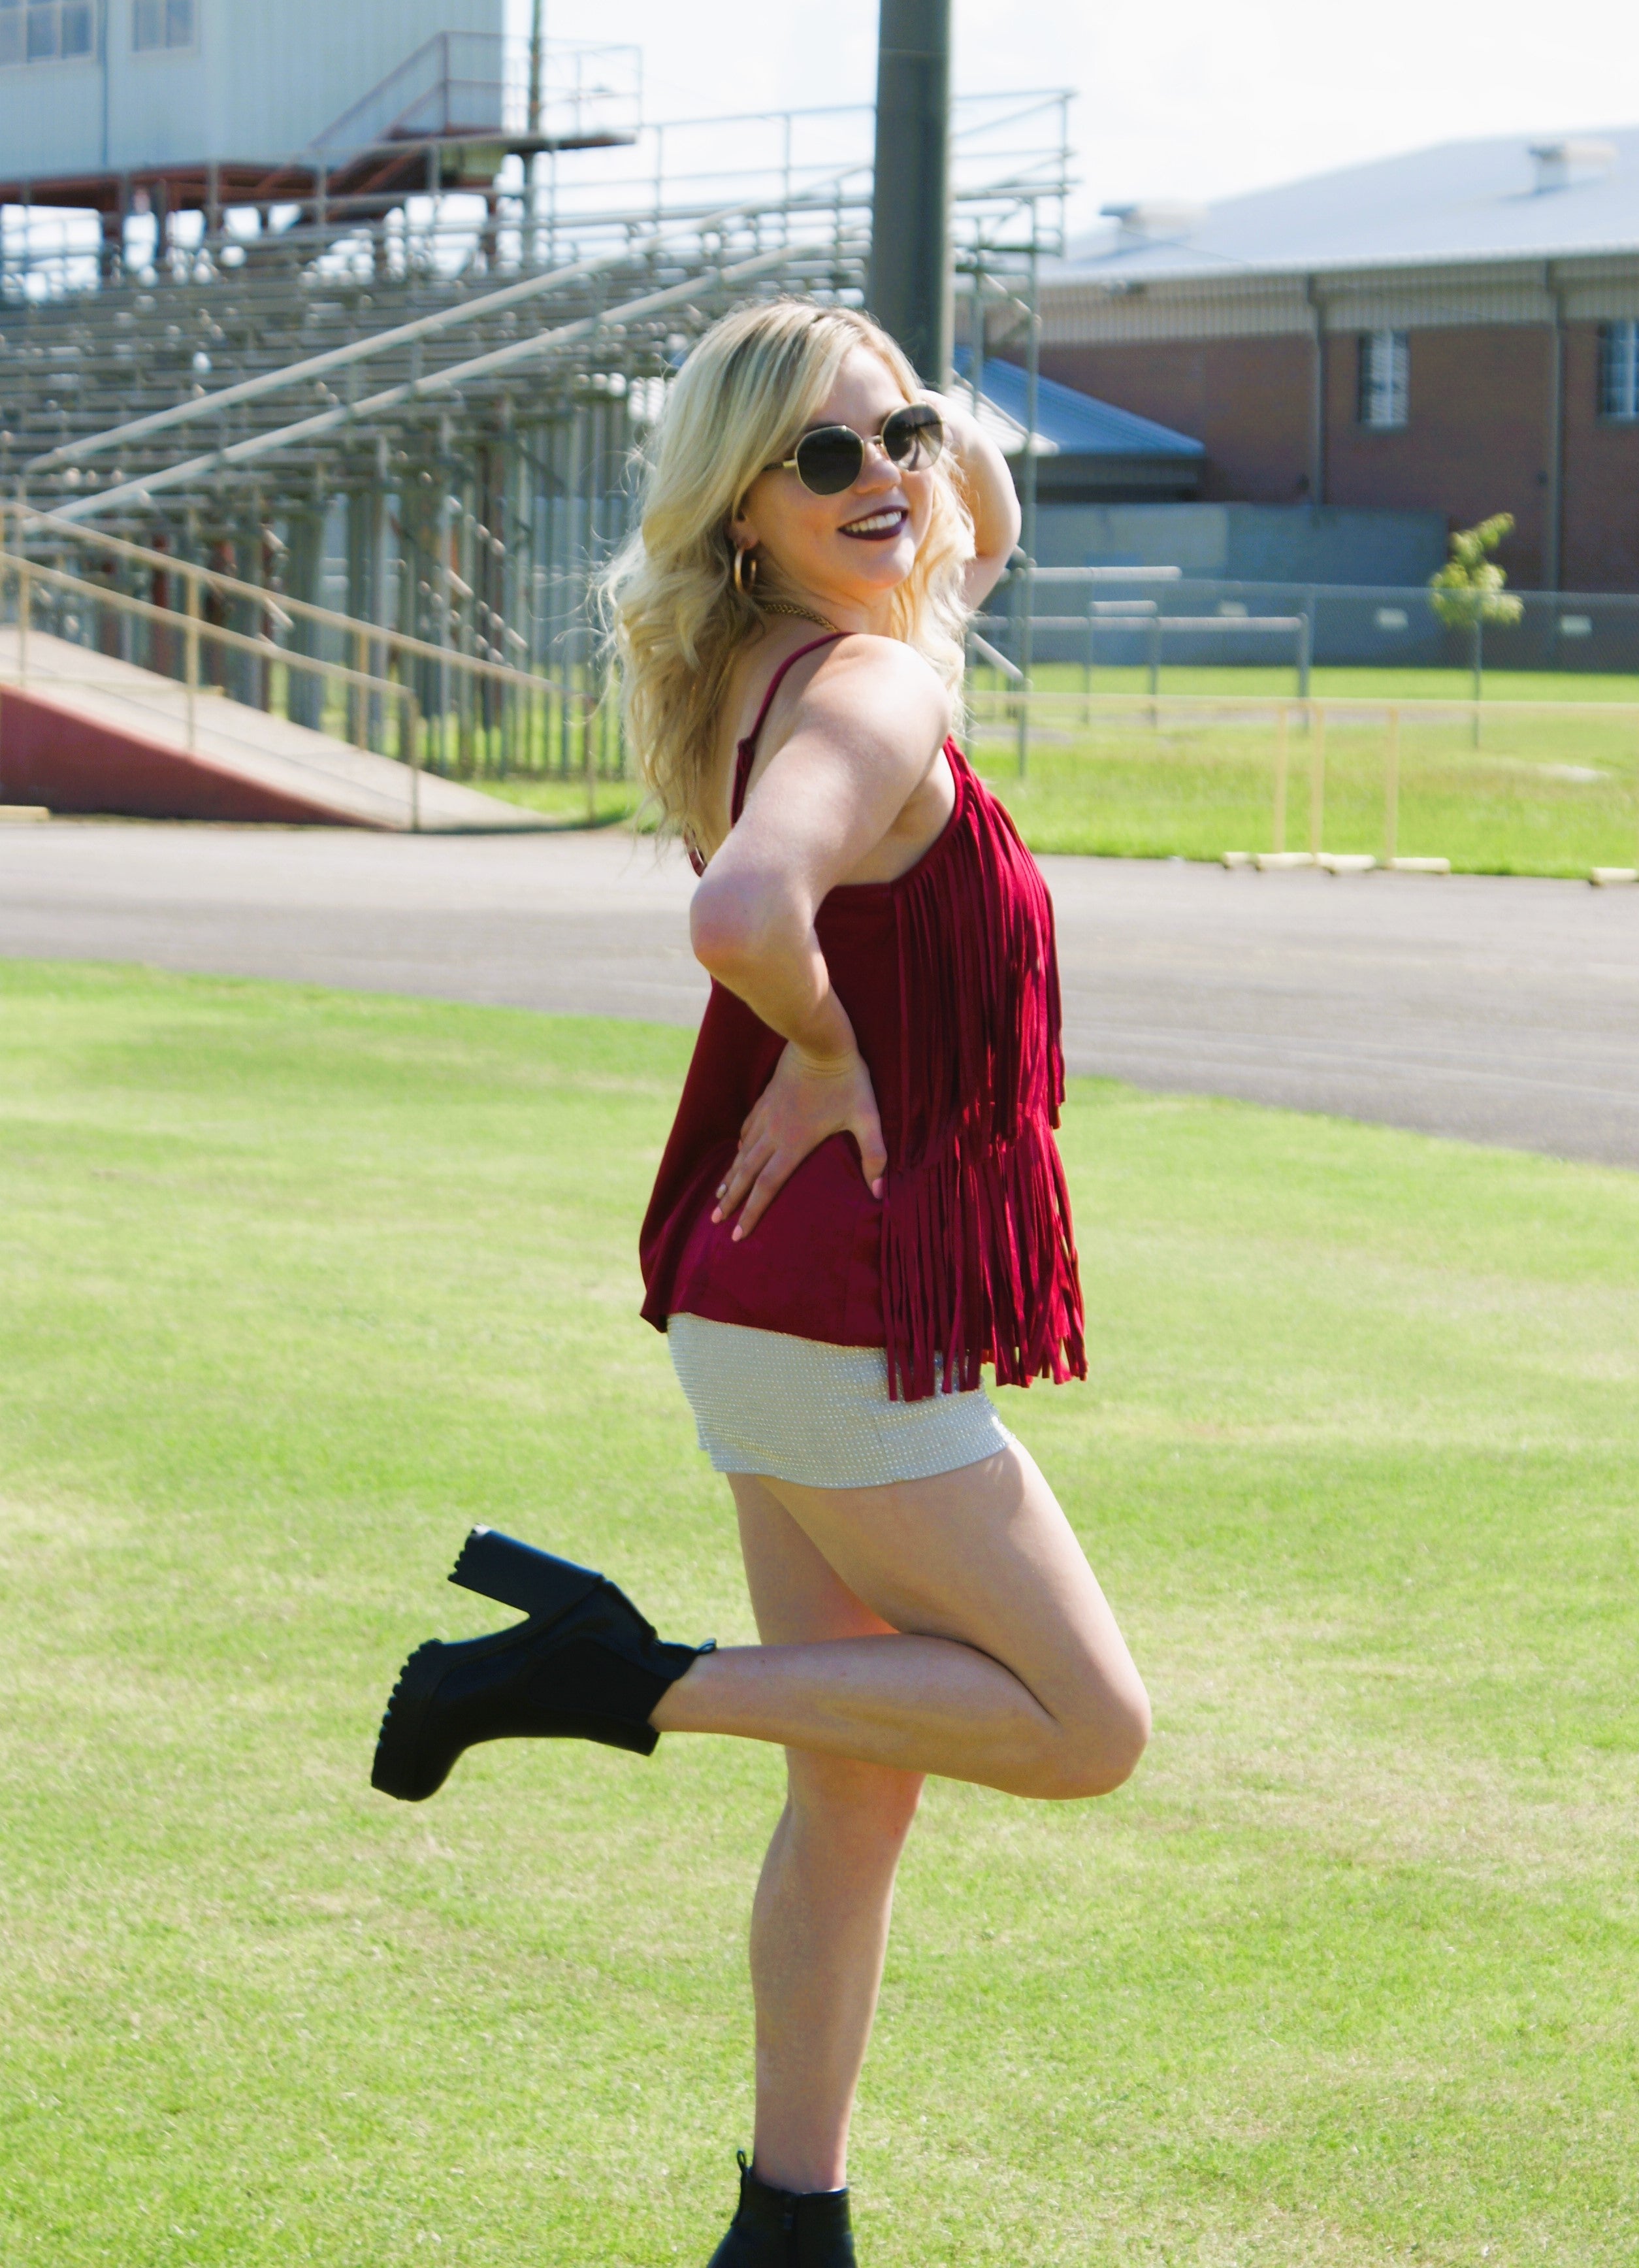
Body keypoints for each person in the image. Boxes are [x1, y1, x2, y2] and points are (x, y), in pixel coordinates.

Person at [372, 299, 1150, 2266]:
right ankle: (604, 1677)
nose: (890, 478)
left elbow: (974, 519)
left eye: (898, 432)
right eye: (827, 459)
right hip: (840, 1310)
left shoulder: (777, 657)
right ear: (742, 512)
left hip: (770, 1304)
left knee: (860, 1794)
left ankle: (785, 2227)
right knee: (1084, 1727)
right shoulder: (876, 701)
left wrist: (894, 402)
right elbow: (745, 911)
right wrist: (819, 1044)